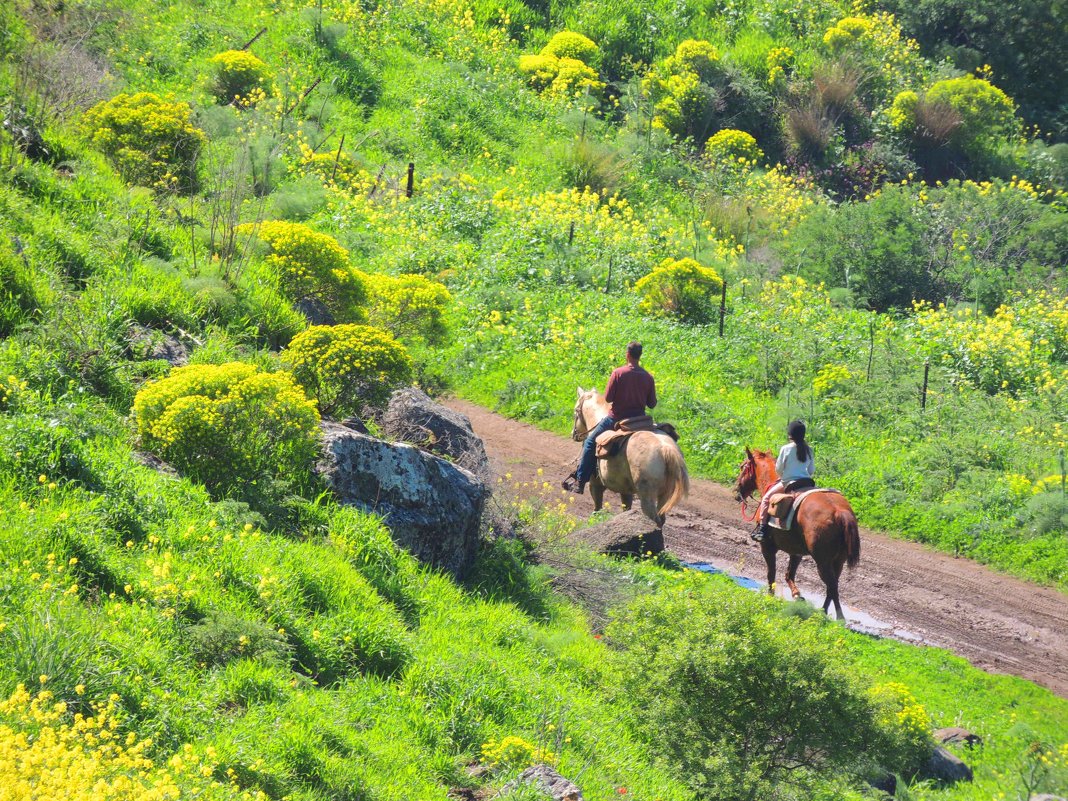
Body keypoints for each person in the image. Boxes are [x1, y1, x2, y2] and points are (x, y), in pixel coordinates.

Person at [564, 341, 657, 495]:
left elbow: (608, 398)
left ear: (627, 354)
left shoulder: (618, 373)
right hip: (640, 421)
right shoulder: (648, 377)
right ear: (640, 356)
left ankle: (580, 482)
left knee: (589, 443)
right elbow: (652, 404)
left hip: (616, 419)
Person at [752, 420, 815, 542]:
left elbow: (779, 469)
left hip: (788, 482)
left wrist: (784, 477)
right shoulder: (809, 450)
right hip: (807, 483)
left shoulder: (786, 449)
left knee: (765, 499)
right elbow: (811, 470)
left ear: (790, 434)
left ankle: (762, 529)